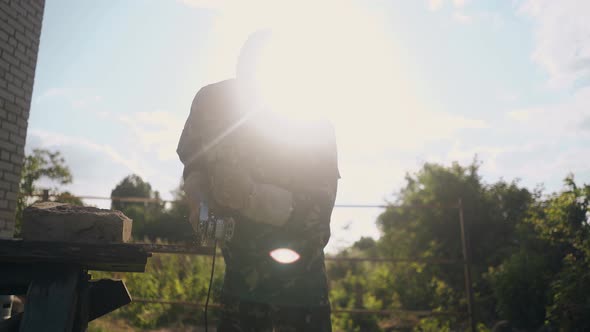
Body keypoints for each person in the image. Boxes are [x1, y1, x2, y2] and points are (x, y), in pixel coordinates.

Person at [177, 30, 339, 332]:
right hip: (240, 287)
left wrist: (250, 196)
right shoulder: (213, 104)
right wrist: (198, 201)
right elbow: (194, 161)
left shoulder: (312, 123)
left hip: (299, 296)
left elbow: (316, 222)